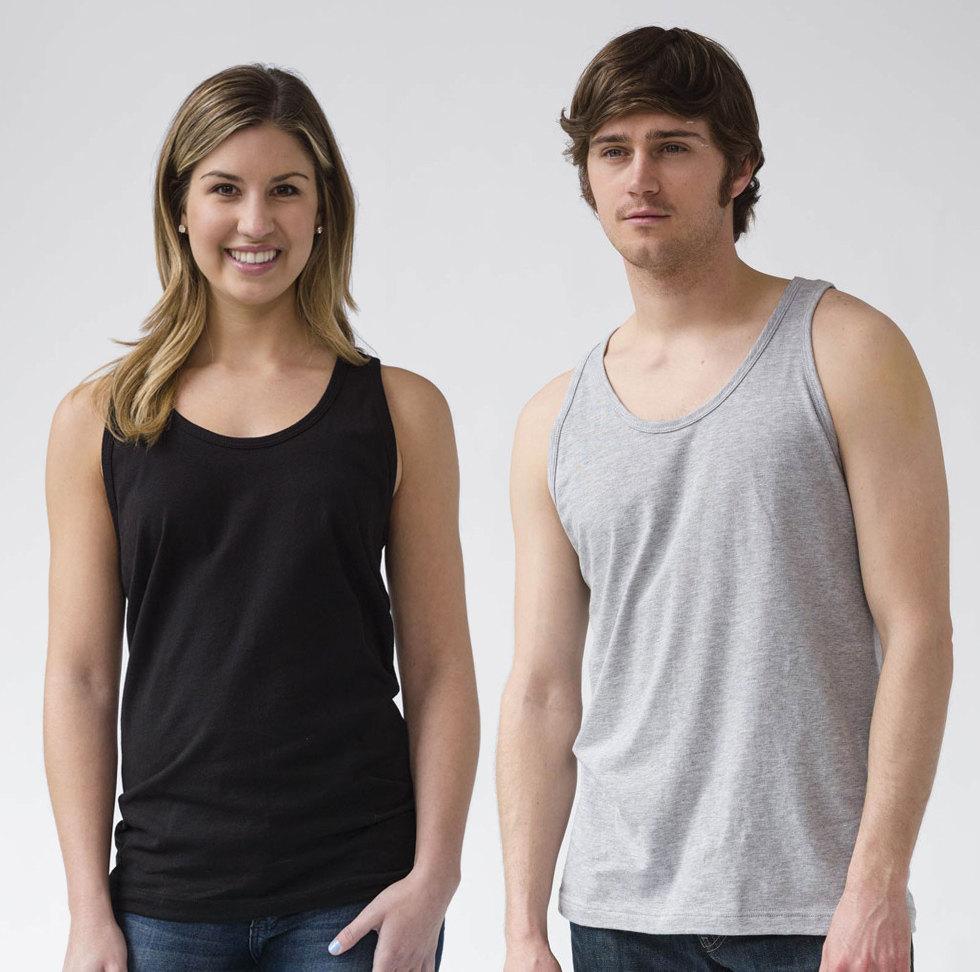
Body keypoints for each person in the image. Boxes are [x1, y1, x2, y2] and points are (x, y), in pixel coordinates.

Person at [497, 26, 951, 972]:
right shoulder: (553, 421)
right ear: (588, 177)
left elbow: (918, 631)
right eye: (613, 151)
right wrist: (523, 929)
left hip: (813, 909)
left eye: (672, 146)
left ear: (739, 168)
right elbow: (541, 690)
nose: (640, 178)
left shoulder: (847, 350)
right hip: (616, 914)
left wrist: (877, 886)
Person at [44, 63, 479, 972]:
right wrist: (88, 910)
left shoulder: (402, 412)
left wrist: (434, 879)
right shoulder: (102, 420)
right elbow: (81, 678)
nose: (255, 221)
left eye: (285, 189)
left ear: (324, 210)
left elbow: (440, 667)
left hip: (357, 896)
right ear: (179, 208)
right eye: (224, 189)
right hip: (165, 899)